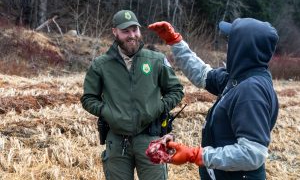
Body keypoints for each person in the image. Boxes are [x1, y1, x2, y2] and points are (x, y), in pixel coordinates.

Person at [148, 18, 279, 180]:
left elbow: (252, 154)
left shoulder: (251, 91)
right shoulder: (238, 77)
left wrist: (196, 154)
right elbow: (203, 74)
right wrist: (175, 41)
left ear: (243, 47)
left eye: (230, 40)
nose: (227, 45)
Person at [80, 10, 184, 180]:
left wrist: (158, 107)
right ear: (115, 32)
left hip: (151, 139)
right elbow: (88, 98)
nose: (132, 35)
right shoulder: (101, 65)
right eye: (125, 31)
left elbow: (176, 90)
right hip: (117, 141)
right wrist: (108, 111)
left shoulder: (156, 60)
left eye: (135, 30)